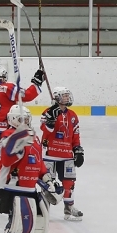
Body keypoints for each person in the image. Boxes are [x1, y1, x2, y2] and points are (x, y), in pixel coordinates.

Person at [0, 105, 63, 233]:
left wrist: (47, 179)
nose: (24, 122)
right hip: (12, 186)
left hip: (30, 186)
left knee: (38, 221)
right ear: (12, 119)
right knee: (19, 222)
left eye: (26, 119)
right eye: (21, 119)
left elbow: (38, 161)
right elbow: (6, 159)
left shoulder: (34, 137)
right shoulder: (7, 136)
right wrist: (18, 142)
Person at [0, 65, 45, 196]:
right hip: (5, 130)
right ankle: (7, 181)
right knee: (7, 157)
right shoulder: (8, 87)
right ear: (4, 76)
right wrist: (37, 82)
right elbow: (26, 96)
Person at [41, 87, 83, 221]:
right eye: (64, 95)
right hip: (50, 154)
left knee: (69, 182)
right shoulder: (48, 112)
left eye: (67, 95)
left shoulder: (73, 115)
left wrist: (77, 149)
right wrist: (51, 120)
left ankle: (69, 208)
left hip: (66, 155)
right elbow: (45, 131)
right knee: (48, 183)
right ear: (57, 97)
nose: (67, 98)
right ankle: (44, 210)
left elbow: (75, 135)